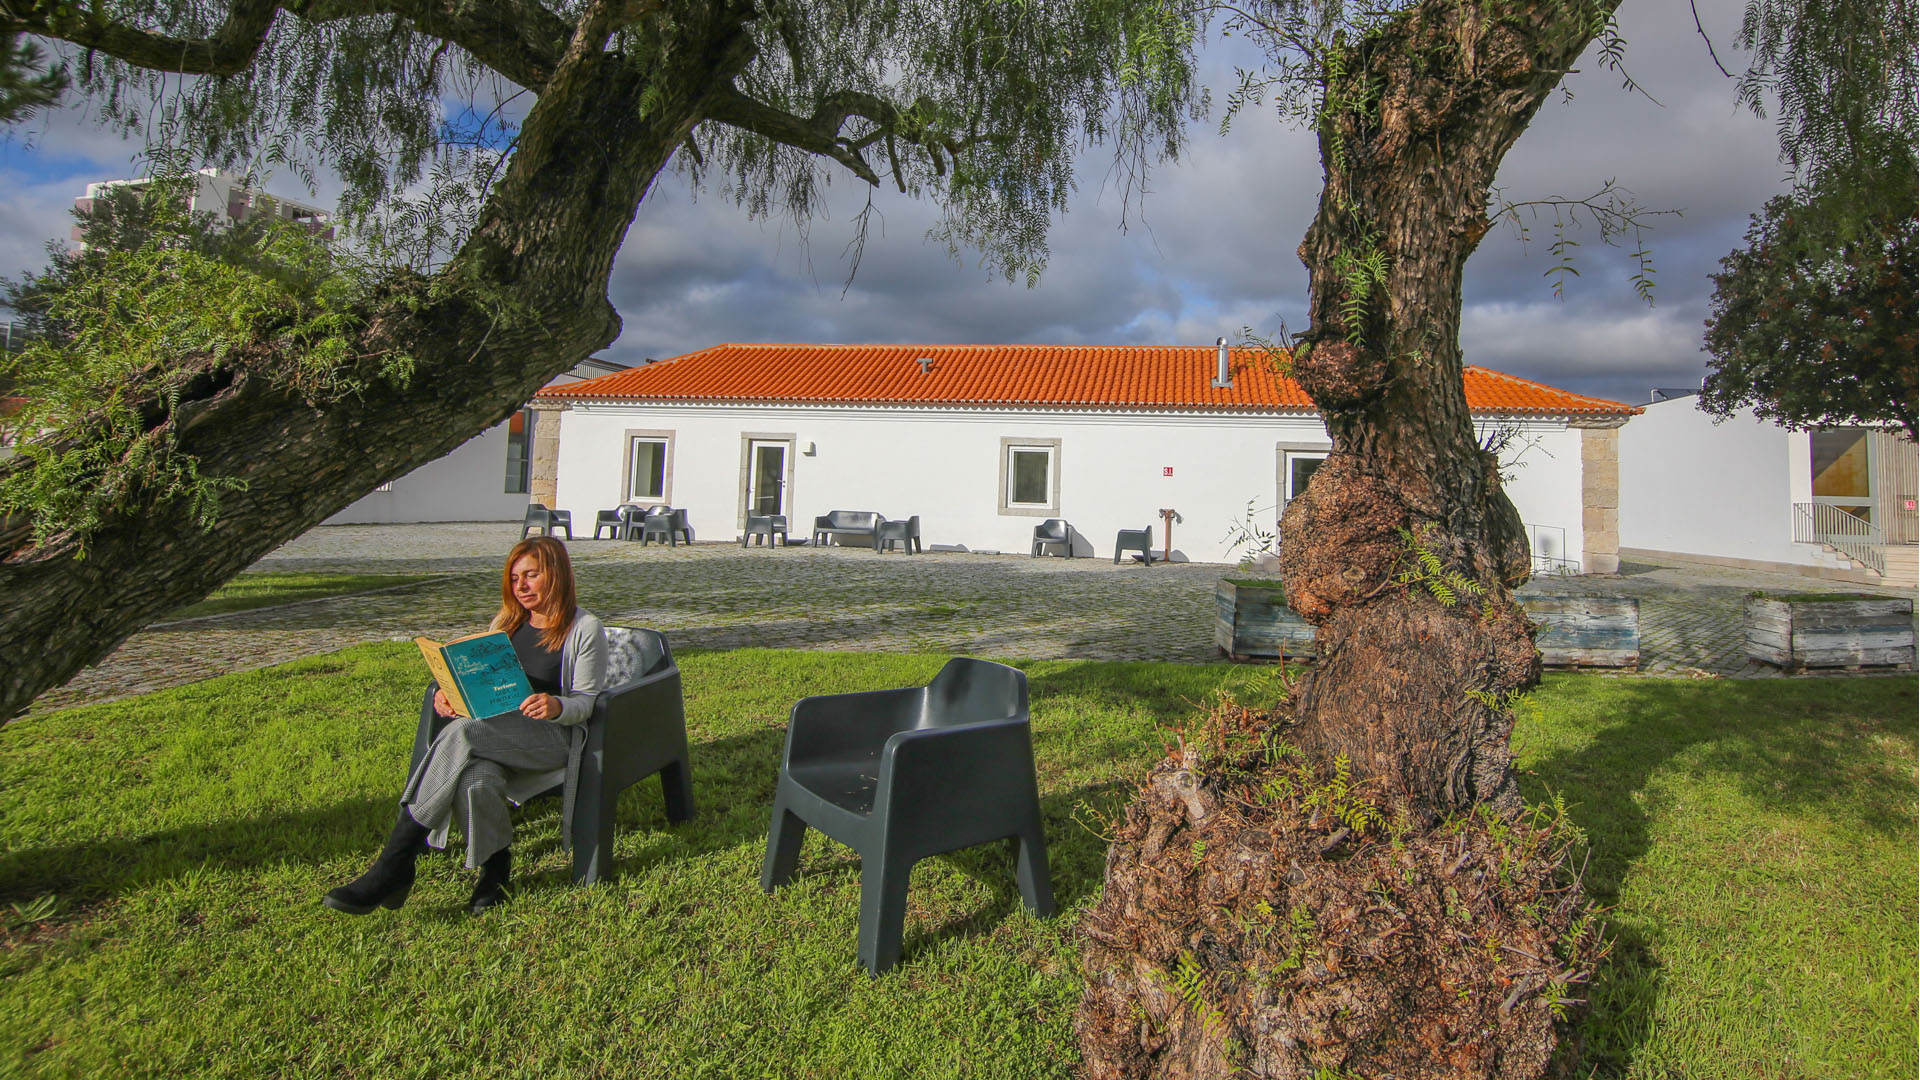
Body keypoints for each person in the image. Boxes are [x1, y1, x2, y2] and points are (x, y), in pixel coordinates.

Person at [323, 535, 607, 916]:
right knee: (475, 774)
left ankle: (396, 861)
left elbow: (586, 704)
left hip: (553, 739)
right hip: (495, 735)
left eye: (531, 575)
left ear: (555, 574)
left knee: (461, 734)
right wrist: (449, 694)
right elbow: (481, 683)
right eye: (514, 578)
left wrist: (556, 705)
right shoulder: (506, 622)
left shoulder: (585, 628)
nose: (520, 586)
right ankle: (496, 870)